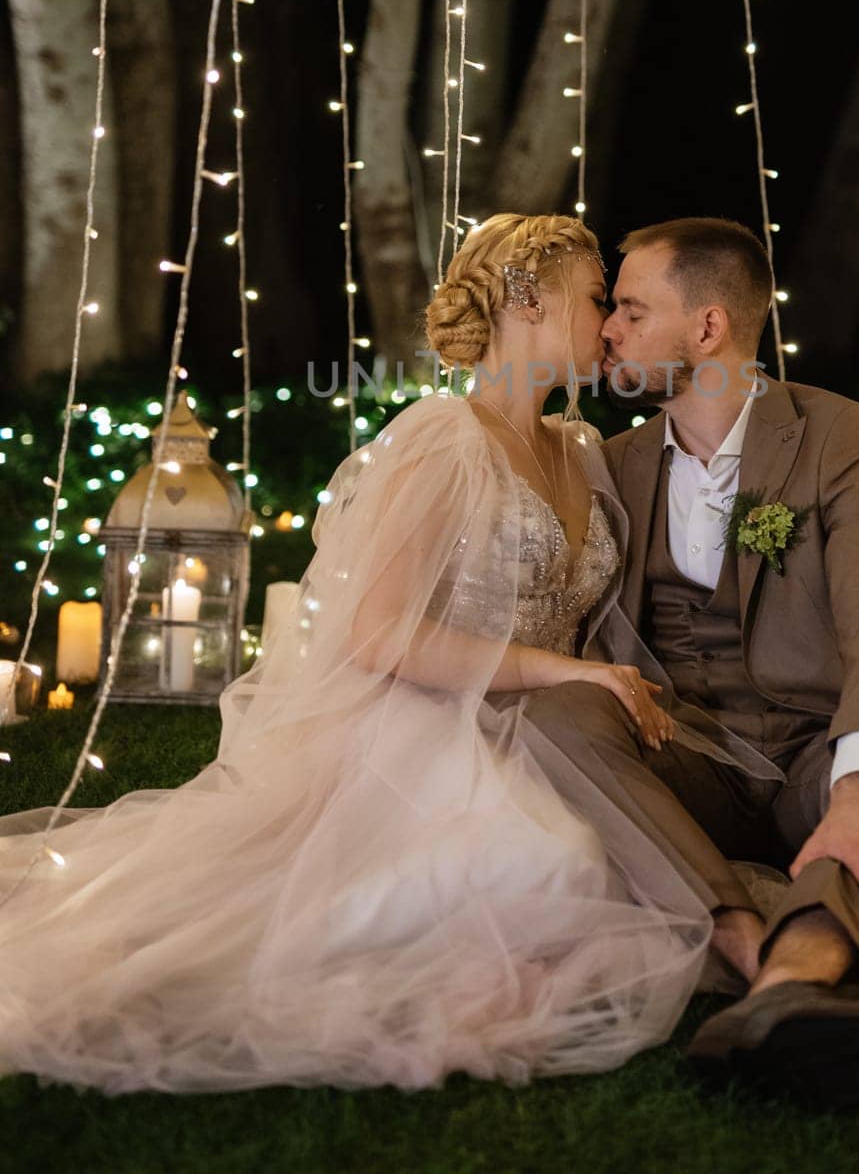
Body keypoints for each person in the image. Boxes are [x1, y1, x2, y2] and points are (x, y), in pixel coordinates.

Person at [0, 212, 741, 1095]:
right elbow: (378, 633)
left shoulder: (581, 451)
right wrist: (563, 670)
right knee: (551, 865)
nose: (613, 327)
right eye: (597, 300)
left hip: (558, 732)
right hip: (426, 722)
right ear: (530, 299)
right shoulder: (442, 439)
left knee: (597, 858)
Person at [523, 216, 859, 1110]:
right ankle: (760, 950)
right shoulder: (613, 461)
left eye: (631, 309)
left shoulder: (833, 432)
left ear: (707, 329)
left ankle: (790, 986)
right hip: (688, 753)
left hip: (816, 746)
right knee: (556, 716)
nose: (608, 330)